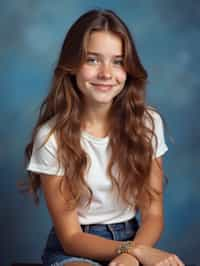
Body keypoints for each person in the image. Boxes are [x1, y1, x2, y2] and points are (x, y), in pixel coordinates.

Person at [24, 9, 184, 266]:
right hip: (76, 247)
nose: (106, 73)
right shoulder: (51, 137)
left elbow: (153, 215)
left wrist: (133, 253)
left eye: (118, 61)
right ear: (72, 66)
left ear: (129, 69)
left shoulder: (147, 123)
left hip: (136, 236)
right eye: (92, 60)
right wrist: (135, 252)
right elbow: (71, 236)